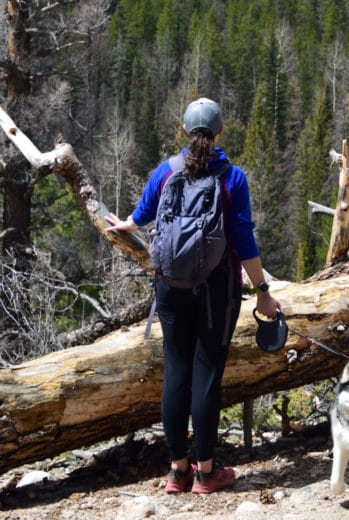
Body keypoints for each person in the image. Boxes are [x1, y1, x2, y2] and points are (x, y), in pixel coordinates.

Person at [106, 97, 282, 495]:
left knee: (177, 372)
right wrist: (263, 293)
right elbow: (243, 239)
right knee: (206, 378)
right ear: (220, 131)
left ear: (185, 131)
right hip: (216, 290)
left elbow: (141, 216)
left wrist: (126, 225)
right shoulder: (231, 177)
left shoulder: (166, 172)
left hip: (170, 287)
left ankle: (177, 470)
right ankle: (206, 472)